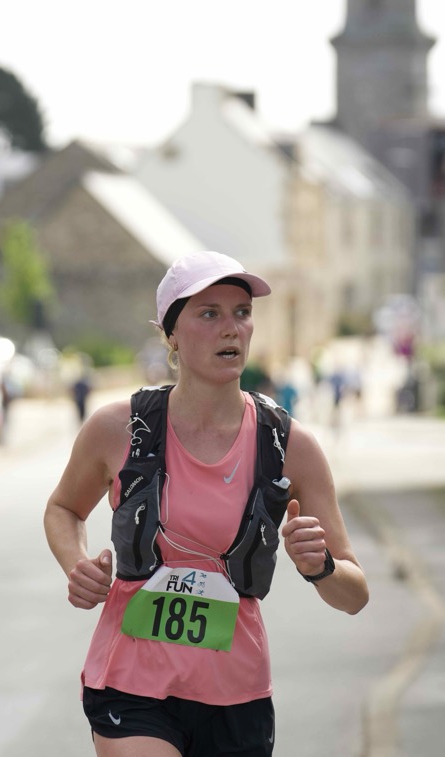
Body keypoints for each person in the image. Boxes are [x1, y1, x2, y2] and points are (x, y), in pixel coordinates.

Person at [45, 250, 368, 757]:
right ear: (172, 333)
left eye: (242, 312)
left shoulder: (288, 445)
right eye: (209, 313)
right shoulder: (118, 428)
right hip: (131, 682)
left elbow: (355, 595)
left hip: (236, 694)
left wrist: (321, 565)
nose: (231, 328)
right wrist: (77, 564)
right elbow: (64, 508)